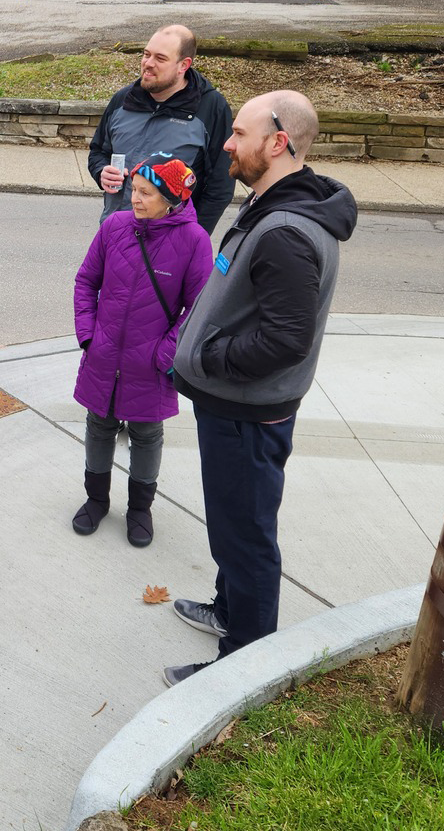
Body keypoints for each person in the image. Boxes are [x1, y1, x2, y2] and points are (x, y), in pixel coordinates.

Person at [166, 91, 358, 686]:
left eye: (240, 134)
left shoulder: (285, 232)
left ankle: (242, 666)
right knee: (232, 524)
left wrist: (210, 355)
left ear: (279, 143)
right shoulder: (273, 203)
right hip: (237, 407)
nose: (227, 141)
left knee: (246, 536)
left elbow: (285, 339)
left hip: (246, 414)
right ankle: (229, 611)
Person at [72, 152, 212, 547]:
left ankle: (139, 510)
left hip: (151, 366)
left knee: (147, 435)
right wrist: (88, 335)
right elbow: (86, 282)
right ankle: (96, 500)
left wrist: (163, 356)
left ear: (173, 198)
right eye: (134, 190)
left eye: (146, 193)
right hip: (103, 356)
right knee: (98, 427)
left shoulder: (193, 241)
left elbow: (197, 308)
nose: (135, 199)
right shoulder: (114, 226)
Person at [88, 25, 234, 236]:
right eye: (146, 54)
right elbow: (98, 152)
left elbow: (220, 185)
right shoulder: (123, 99)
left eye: (160, 58)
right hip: (114, 233)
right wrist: (101, 171)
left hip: (170, 241)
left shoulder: (211, 108)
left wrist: (192, 237)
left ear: (183, 65)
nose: (148, 63)